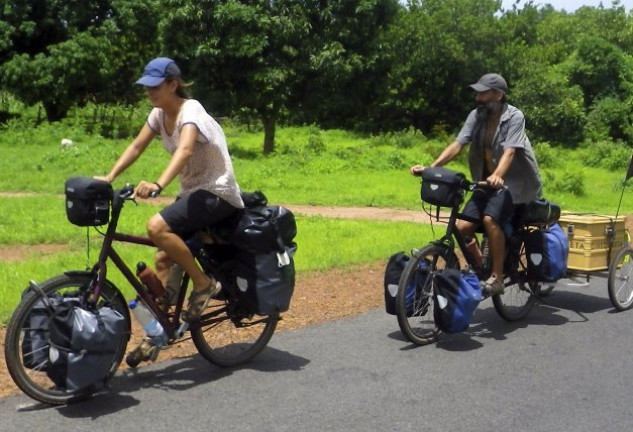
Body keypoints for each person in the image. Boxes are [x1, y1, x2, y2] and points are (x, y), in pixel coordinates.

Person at [97, 57, 244, 324]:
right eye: (146, 86)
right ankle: (161, 329)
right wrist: (109, 176)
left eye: (155, 86)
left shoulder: (191, 111)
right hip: (193, 193)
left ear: (173, 84)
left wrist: (158, 185)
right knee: (164, 258)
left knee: (156, 228)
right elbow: (136, 146)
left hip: (217, 191)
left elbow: (186, 149)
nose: (149, 91)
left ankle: (203, 284)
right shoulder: (158, 114)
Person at [410, 73, 542, 295]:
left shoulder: (515, 117)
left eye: (483, 93)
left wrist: (498, 175)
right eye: (477, 93)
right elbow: (458, 144)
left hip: (514, 184)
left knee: (490, 220)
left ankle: (497, 277)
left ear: (498, 95)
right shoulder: (476, 116)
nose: (477, 98)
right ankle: (480, 266)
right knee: (462, 228)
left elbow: (510, 152)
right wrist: (432, 167)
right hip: (484, 181)